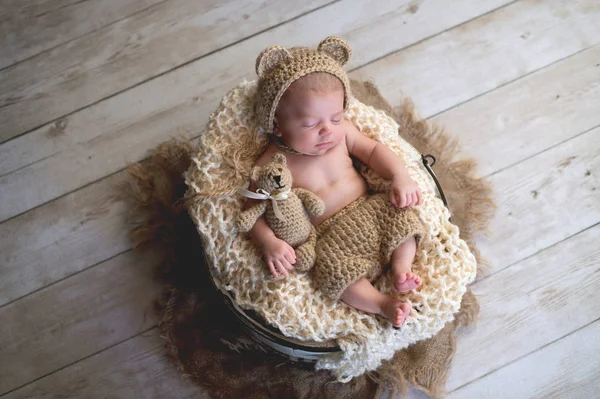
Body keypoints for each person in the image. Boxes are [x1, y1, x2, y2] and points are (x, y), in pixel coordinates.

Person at [245, 37, 424, 328]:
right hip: (331, 238)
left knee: (403, 214)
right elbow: (252, 210)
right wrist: (269, 242)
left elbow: (374, 150)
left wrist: (399, 177)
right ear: (276, 125)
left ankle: (401, 268)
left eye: (336, 117)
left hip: (370, 210)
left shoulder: (342, 135)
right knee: (329, 271)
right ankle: (382, 303)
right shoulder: (272, 165)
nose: (327, 130)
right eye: (310, 124)